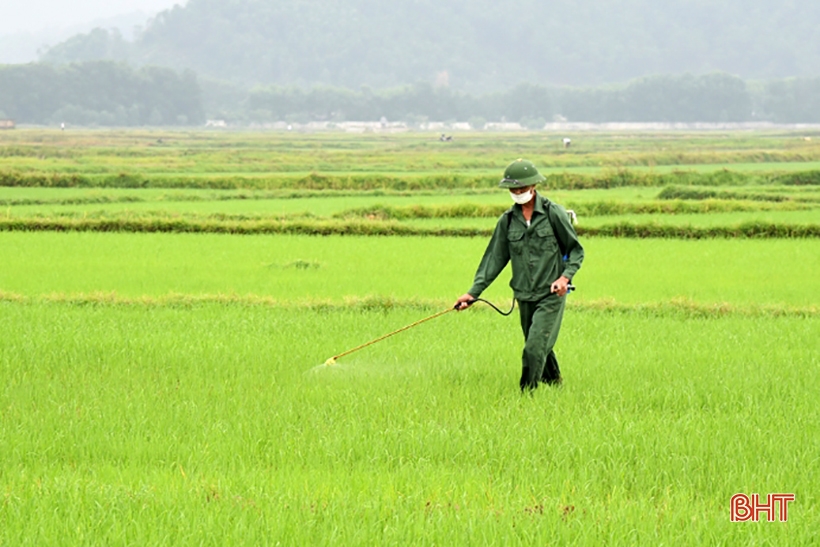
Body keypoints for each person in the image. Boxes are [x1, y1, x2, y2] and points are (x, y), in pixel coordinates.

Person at [454, 159, 584, 391]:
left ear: (533, 186)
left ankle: (526, 396)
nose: (517, 193)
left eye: (522, 189)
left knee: (534, 347)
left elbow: (575, 251)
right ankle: (556, 386)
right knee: (539, 342)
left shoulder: (553, 213)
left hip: (550, 294)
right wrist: (472, 294)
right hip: (523, 295)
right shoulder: (507, 221)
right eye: (513, 189)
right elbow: (493, 260)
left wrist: (565, 278)